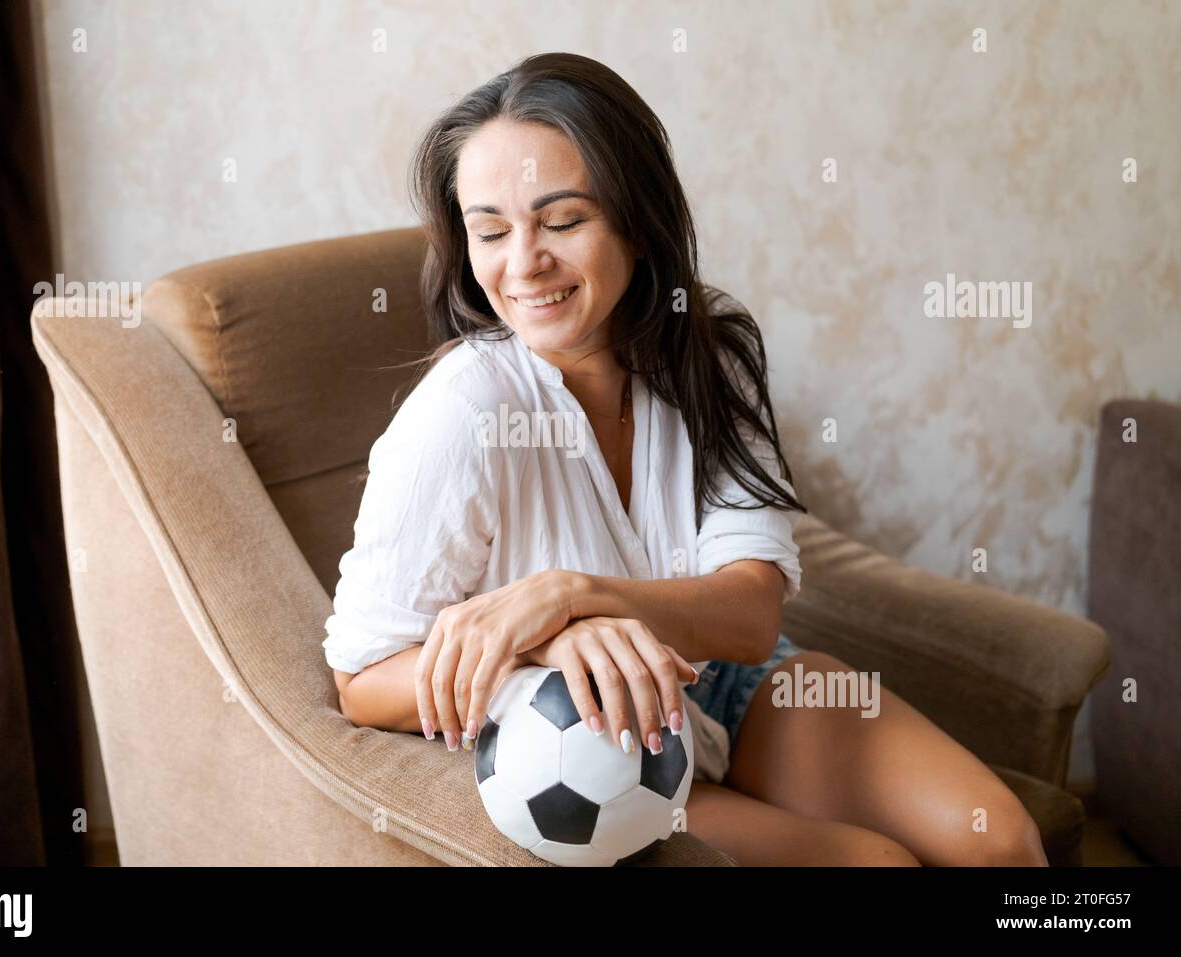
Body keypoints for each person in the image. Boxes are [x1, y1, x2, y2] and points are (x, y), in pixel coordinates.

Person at [323, 52, 1046, 867]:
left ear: (638, 218)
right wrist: (538, 649)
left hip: (728, 682)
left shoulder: (709, 350)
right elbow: (361, 676)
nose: (522, 263)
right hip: (597, 740)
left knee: (1004, 844)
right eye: (490, 230)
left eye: (562, 221)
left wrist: (572, 597)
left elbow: (751, 612)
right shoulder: (463, 412)